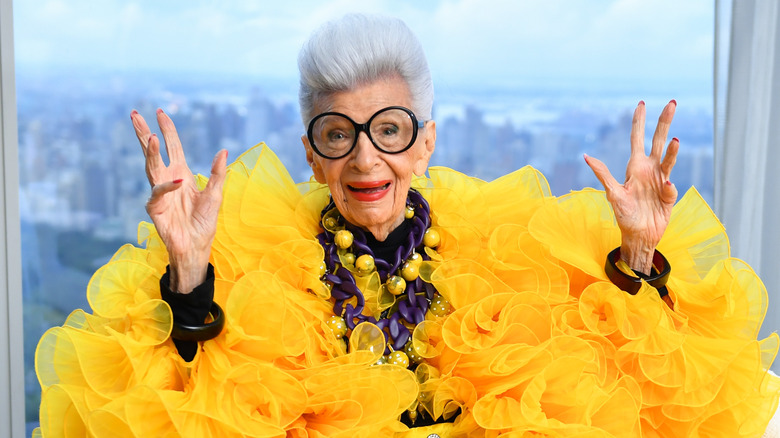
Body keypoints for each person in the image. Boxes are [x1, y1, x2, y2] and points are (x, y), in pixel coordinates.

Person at [34, 13, 779, 437]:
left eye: (389, 129)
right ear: (311, 152)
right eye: (337, 133)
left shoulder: (505, 245)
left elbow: (639, 378)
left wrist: (641, 253)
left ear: (424, 142)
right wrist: (192, 271)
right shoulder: (253, 254)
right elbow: (185, 405)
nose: (365, 157)